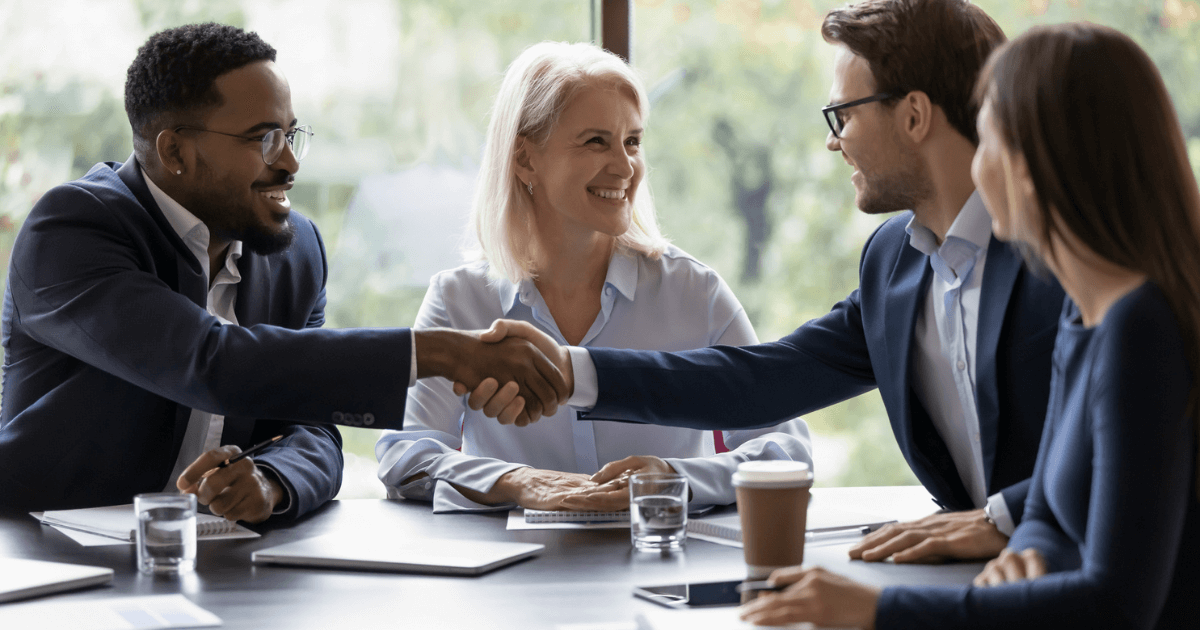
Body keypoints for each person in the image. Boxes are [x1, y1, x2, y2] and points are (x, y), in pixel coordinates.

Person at [471, 0, 1063, 562]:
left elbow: (1134, 438)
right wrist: (568, 371)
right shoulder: (894, 262)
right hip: (975, 582)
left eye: (844, 114)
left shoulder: (1069, 251)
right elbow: (765, 379)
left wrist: (1005, 519)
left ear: (913, 116)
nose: (834, 140)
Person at [0, 23, 567, 523]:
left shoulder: (294, 252)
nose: (290, 161)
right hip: (50, 557)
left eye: (291, 134)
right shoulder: (72, 232)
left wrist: (271, 482)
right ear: (174, 150)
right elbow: (209, 361)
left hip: (219, 564)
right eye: (263, 137)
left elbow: (313, 430)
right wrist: (441, 353)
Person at [737, 22, 1200, 630]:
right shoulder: (1084, 315)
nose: (974, 171)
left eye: (985, 143)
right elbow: (1054, 511)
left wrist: (875, 608)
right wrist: (1033, 550)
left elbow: (1117, 603)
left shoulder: (1141, 330)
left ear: (1035, 166)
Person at [375, 42, 811, 513]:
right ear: (525, 160)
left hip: (661, 567)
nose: (625, 167)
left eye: (633, 142)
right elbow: (406, 454)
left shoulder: (694, 293)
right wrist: (516, 481)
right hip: (512, 578)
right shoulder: (460, 299)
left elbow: (785, 450)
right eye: (596, 142)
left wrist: (673, 478)